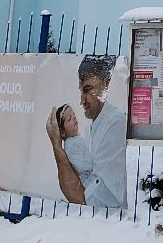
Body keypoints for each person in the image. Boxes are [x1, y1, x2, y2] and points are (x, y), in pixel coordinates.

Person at [45, 55, 126, 207]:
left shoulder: (114, 124)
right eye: (81, 91)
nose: (82, 100)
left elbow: (94, 202)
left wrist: (57, 147)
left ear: (106, 83)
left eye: (88, 90)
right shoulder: (94, 126)